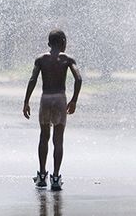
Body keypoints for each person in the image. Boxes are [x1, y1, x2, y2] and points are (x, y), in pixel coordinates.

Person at [23, 29, 82, 191]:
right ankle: (55, 178)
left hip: (46, 99)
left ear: (49, 43)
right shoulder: (68, 59)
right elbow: (78, 78)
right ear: (63, 42)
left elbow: (33, 79)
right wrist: (74, 100)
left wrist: (26, 101)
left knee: (44, 137)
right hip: (60, 99)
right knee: (58, 140)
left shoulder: (41, 60)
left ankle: (42, 176)